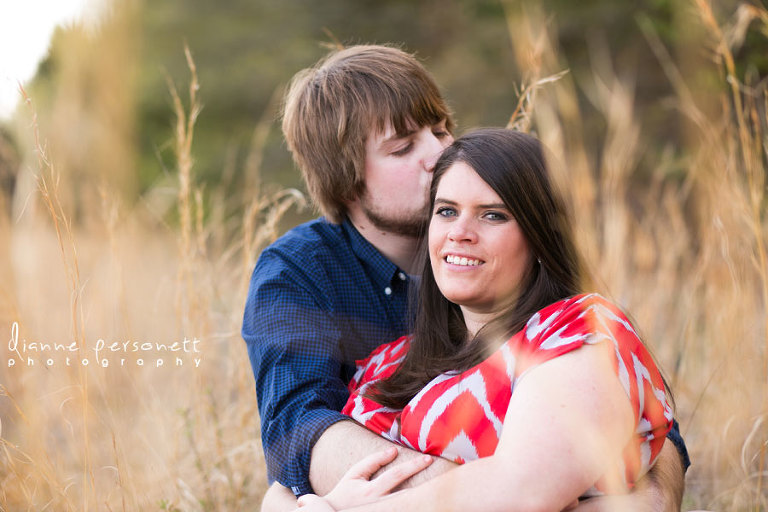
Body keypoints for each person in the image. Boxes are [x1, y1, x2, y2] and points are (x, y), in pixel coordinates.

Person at [241, 45, 689, 511]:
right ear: (346, 180)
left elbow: (642, 412)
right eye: (402, 147)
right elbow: (297, 433)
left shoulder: (542, 282)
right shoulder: (301, 276)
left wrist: (640, 497)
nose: (440, 152)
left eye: (440, 129)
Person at [294, 128, 675, 512]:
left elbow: (524, 490)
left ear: (541, 237)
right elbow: (285, 487)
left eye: (493, 215)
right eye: (446, 211)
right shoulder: (393, 362)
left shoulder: (579, 330)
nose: (459, 233)